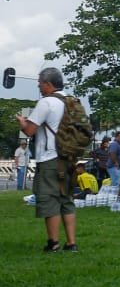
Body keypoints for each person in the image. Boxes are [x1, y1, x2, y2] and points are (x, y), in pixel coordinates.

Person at [16, 67, 78, 252]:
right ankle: (71, 243)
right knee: (66, 199)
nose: (39, 87)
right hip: (68, 158)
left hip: (50, 158)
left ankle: (53, 243)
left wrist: (22, 122)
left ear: (49, 84)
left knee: (50, 199)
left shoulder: (47, 102)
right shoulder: (72, 101)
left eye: (40, 84)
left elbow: (29, 131)